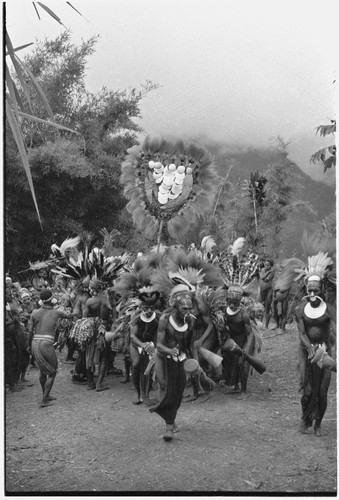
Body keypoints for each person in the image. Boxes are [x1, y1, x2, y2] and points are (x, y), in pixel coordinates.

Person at [150, 285, 194, 441]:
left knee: (178, 392)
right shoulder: (164, 320)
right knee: (166, 387)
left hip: (180, 358)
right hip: (162, 357)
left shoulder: (189, 321)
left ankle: (170, 418)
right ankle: (169, 426)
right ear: (175, 306)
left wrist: (195, 363)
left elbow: (190, 345)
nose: (188, 312)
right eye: (184, 309)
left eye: (190, 308)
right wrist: (169, 351)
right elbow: (159, 345)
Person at [295, 275, 336, 436]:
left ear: (322, 290)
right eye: (309, 290)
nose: (312, 294)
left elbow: (336, 331)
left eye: (316, 290)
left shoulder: (329, 310)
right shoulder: (299, 309)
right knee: (307, 392)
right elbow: (302, 333)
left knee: (322, 392)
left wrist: (328, 352)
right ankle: (305, 419)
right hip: (306, 352)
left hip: (325, 350)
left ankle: (318, 423)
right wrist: (310, 349)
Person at [28, 289, 77, 407]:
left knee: (43, 371)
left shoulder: (34, 312)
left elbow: (30, 331)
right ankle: (44, 400)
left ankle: (46, 394)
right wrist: (76, 307)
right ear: (53, 300)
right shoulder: (57, 313)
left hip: (35, 342)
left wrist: (29, 346)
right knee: (52, 372)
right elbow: (70, 316)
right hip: (46, 343)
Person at [221, 286, 256, 400]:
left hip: (244, 339)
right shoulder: (224, 311)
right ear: (227, 301)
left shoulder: (243, 314)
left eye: (235, 303)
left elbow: (250, 333)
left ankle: (243, 391)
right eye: (230, 302)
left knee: (242, 363)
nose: (232, 305)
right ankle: (235, 386)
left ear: (239, 302)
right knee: (230, 361)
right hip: (231, 339)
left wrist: (246, 347)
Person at [129, 290, 159, 405]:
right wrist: (142, 345)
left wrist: (154, 347)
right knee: (136, 364)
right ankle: (137, 393)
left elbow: (157, 335)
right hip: (136, 344)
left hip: (150, 344)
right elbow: (132, 336)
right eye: (146, 308)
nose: (149, 311)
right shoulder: (135, 316)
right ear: (141, 307)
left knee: (148, 368)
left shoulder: (158, 317)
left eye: (151, 308)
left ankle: (145, 395)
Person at [259, 257, 275, 329]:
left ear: (271, 266)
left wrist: (268, 273)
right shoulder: (262, 270)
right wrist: (268, 272)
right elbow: (262, 277)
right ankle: (259, 324)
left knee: (267, 308)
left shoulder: (272, 272)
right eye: (265, 265)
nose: (266, 266)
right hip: (261, 291)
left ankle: (266, 326)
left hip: (269, 291)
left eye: (268, 265)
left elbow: (266, 279)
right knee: (260, 307)